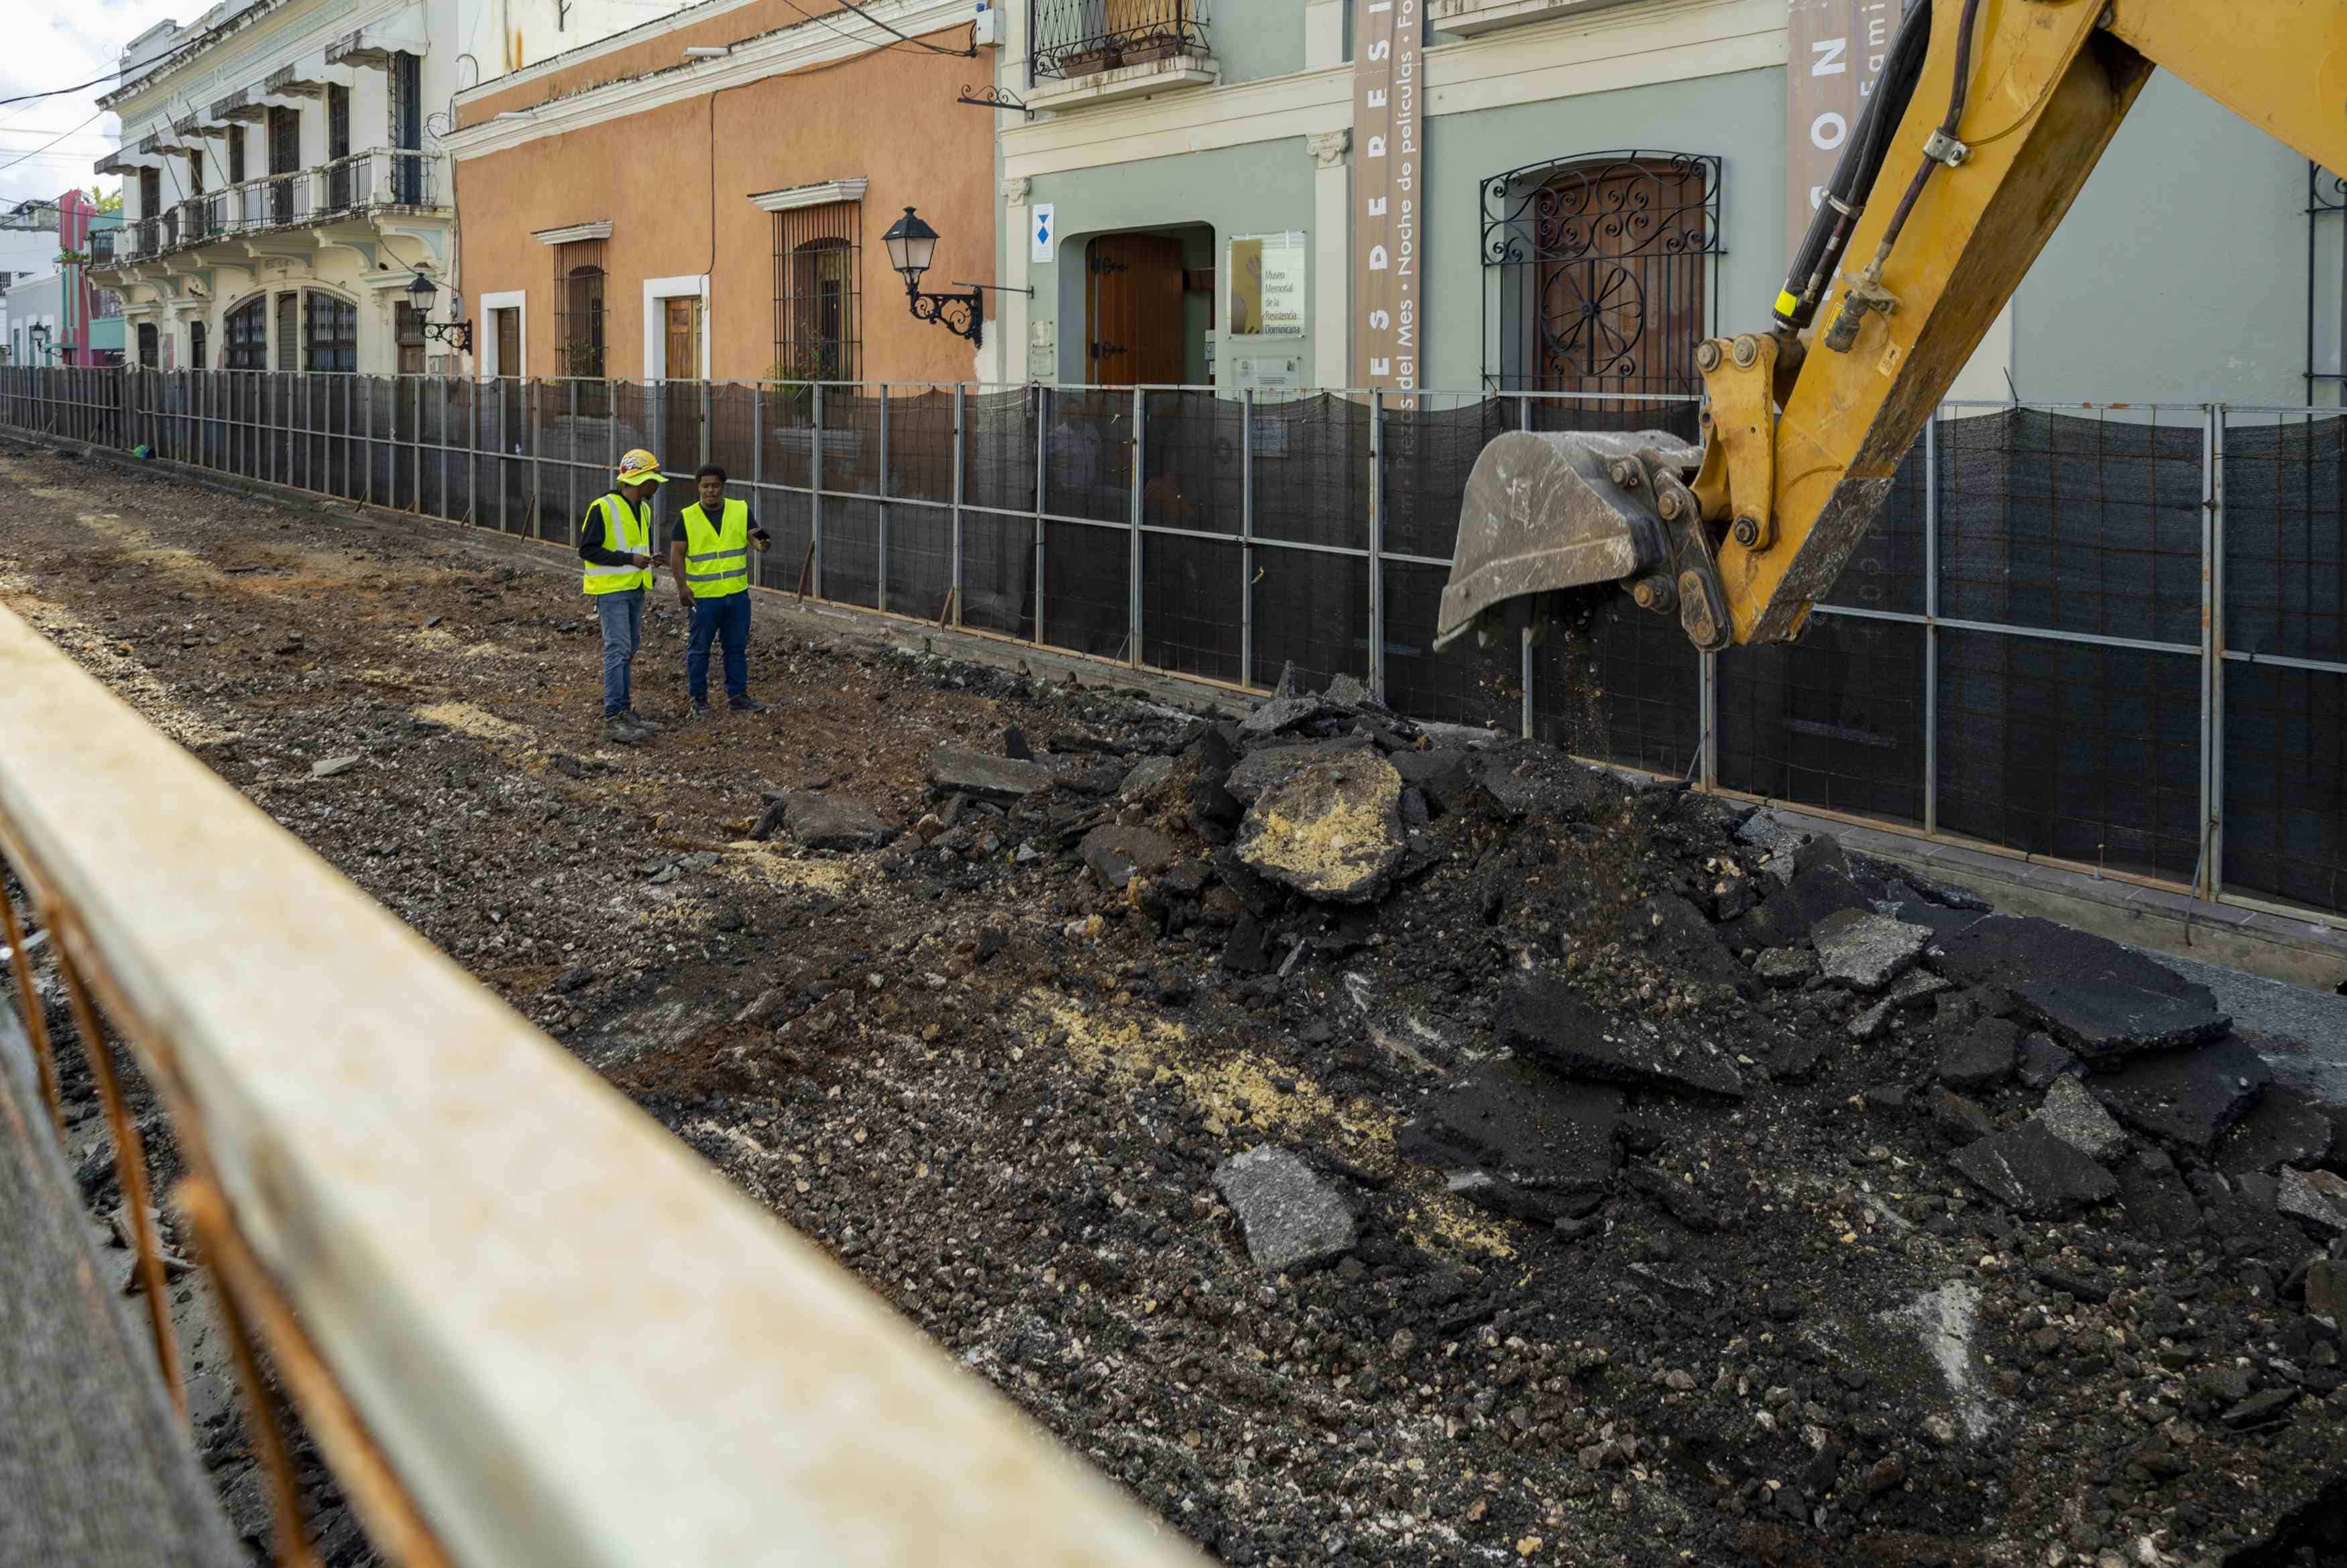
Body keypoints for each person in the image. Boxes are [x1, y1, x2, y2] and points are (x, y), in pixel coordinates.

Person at [668, 463, 772, 717]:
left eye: (715, 486)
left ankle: (738, 696)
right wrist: (682, 589)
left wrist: (763, 542)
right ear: (699, 488)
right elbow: (677, 555)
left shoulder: (740, 510)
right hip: (703, 598)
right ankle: (699, 700)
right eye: (705, 486)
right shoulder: (686, 517)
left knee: (736, 648)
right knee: (699, 649)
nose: (710, 491)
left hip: (736, 596)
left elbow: (757, 535)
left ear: (723, 487)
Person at [580, 448, 667, 743]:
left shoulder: (643, 508)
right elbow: (587, 549)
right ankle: (613, 718)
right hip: (612, 591)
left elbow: (638, 546)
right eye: (653, 480)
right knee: (617, 651)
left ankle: (624, 712)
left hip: (634, 588)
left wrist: (649, 559)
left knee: (628, 650)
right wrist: (629, 560)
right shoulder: (603, 507)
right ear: (640, 479)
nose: (657, 486)